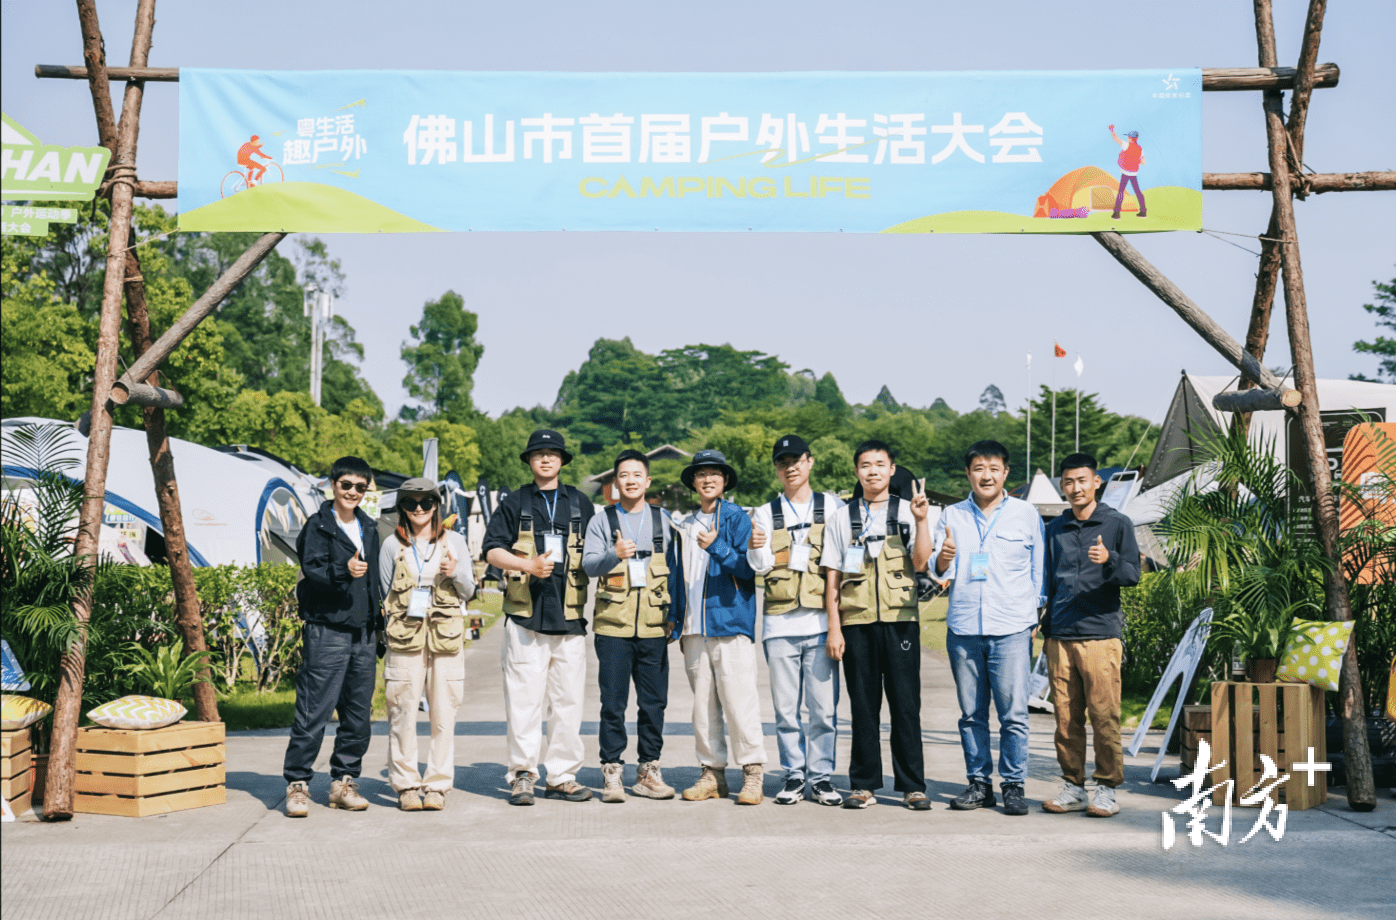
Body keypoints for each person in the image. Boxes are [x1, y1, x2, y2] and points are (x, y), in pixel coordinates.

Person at [483, 430, 596, 805]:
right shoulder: (515, 501)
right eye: (538, 454)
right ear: (529, 461)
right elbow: (492, 552)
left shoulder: (580, 502)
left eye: (552, 454)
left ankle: (562, 776)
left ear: (562, 460)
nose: (545, 460)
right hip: (525, 617)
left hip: (570, 619)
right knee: (524, 700)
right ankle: (523, 775)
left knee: (568, 702)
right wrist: (526, 564)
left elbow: (596, 555)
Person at [933, 440, 1045, 817]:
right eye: (979, 468)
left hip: (1012, 627)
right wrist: (943, 557)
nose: (987, 475)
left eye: (994, 468)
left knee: (1014, 714)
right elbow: (938, 569)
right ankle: (978, 784)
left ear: (1006, 474)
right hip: (964, 627)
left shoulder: (1026, 514)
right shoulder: (951, 515)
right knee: (971, 714)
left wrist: (1033, 618)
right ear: (968, 473)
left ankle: (1013, 785)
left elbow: (1038, 570)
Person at [822, 440, 933, 811]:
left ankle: (913, 786)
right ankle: (864, 784)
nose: (872, 471)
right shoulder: (841, 517)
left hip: (901, 620)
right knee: (863, 706)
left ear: (891, 469)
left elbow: (920, 564)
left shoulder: (908, 510)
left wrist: (920, 521)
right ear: (857, 472)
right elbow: (832, 579)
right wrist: (834, 629)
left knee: (905, 704)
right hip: (856, 622)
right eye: (865, 465)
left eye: (879, 464)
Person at [1041, 453, 1141, 817]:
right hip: (1061, 635)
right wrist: (1045, 625)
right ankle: (1073, 786)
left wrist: (1109, 560)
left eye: (1082, 480)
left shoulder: (1117, 523)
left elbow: (1133, 574)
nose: (1075, 488)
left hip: (1100, 635)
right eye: (1068, 482)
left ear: (1096, 481)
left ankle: (1108, 789)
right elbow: (1049, 581)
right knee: (1066, 719)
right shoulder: (1055, 528)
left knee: (1103, 715)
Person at [283, 456, 383, 817]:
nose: (353, 492)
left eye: (360, 486)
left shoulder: (369, 527)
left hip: (363, 633)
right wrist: (344, 569)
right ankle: (297, 783)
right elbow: (312, 570)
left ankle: (344, 782)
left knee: (358, 716)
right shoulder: (318, 526)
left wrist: (379, 626)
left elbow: (373, 583)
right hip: (327, 630)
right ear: (332, 485)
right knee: (314, 712)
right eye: (346, 485)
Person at [747, 434, 844, 806]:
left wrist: (837, 626)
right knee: (786, 710)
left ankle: (821, 777)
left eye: (797, 460)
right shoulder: (764, 512)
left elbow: (839, 561)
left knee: (823, 709)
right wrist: (757, 549)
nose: (790, 468)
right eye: (782, 462)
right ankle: (794, 774)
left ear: (810, 462)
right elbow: (760, 567)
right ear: (776, 468)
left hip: (820, 625)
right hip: (779, 625)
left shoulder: (831, 506)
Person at [669, 449, 768, 805]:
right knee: (703, 707)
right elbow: (677, 576)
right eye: (701, 474)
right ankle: (712, 774)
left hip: (730, 623)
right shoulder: (683, 524)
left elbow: (749, 568)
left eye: (715, 473)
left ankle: (753, 773)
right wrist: (675, 620)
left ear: (725, 481)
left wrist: (718, 548)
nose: (708, 479)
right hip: (693, 628)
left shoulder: (738, 518)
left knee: (740, 702)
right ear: (693, 482)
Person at [581, 449, 677, 803]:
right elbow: (589, 566)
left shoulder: (663, 520)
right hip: (613, 628)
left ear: (647, 481)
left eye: (637, 474)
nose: (631, 480)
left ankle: (649, 770)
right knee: (613, 703)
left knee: (654, 704)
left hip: (653, 626)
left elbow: (677, 571)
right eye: (624, 475)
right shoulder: (601, 521)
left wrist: (674, 618)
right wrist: (614, 555)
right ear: (614, 482)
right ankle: (612, 771)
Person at [378, 478, 477, 812]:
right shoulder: (391, 545)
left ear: (437, 505)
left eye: (425, 502)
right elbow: (383, 592)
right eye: (410, 503)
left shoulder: (456, 541)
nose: (418, 509)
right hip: (405, 638)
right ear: (401, 508)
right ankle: (405, 784)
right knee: (402, 710)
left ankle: (437, 785)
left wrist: (456, 571)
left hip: (446, 637)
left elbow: (469, 590)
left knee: (444, 713)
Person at [1108, 125, 1147, 219]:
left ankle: (1116, 213)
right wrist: (1135, 160)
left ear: (1130, 138)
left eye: (1128, 137)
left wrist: (1112, 130)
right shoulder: (1140, 149)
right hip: (1134, 173)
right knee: (1137, 192)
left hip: (1125, 173)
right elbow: (1143, 162)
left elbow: (1115, 138)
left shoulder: (1126, 145)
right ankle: (1143, 211)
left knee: (1121, 192)